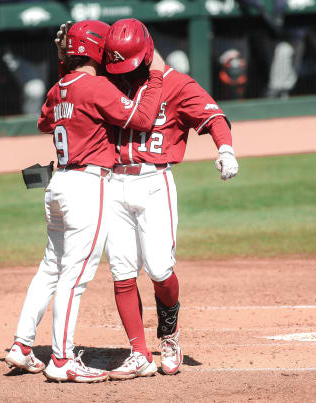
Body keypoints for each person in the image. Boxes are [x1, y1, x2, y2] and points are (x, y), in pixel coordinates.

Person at [4, 19, 166, 383]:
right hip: (86, 187)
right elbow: (142, 118)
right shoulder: (96, 87)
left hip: (58, 185)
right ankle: (61, 359)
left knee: (51, 267)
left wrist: (65, 68)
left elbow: (45, 123)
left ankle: (22, 346)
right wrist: (156, 77)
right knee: (74, 276)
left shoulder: (59, 87)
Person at [98, 18, 239, 379]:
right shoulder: (107, 81)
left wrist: (225, 150)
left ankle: (170, 334)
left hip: (153, 183)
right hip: (112, 183)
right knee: (122, 272)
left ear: (146, 54)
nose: (123, 73)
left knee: (160, 270)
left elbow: (213, 116)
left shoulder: (176, 83)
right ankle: (139, 352)